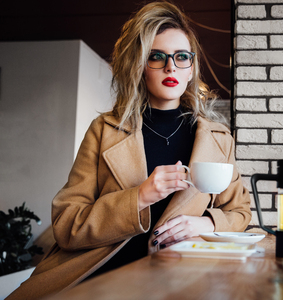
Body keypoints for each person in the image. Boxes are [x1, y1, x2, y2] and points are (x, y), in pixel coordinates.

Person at [6, 2, 251, 299]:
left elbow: (238, 212)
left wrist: (206, 222)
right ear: (140, 67)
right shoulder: (104, 130)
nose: (171, 66)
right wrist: (138, 197)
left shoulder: (218, 139)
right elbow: (66, 224)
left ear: (191, 70)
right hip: (93, 276)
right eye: (157, 57)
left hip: (178, 280)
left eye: (181, 57)